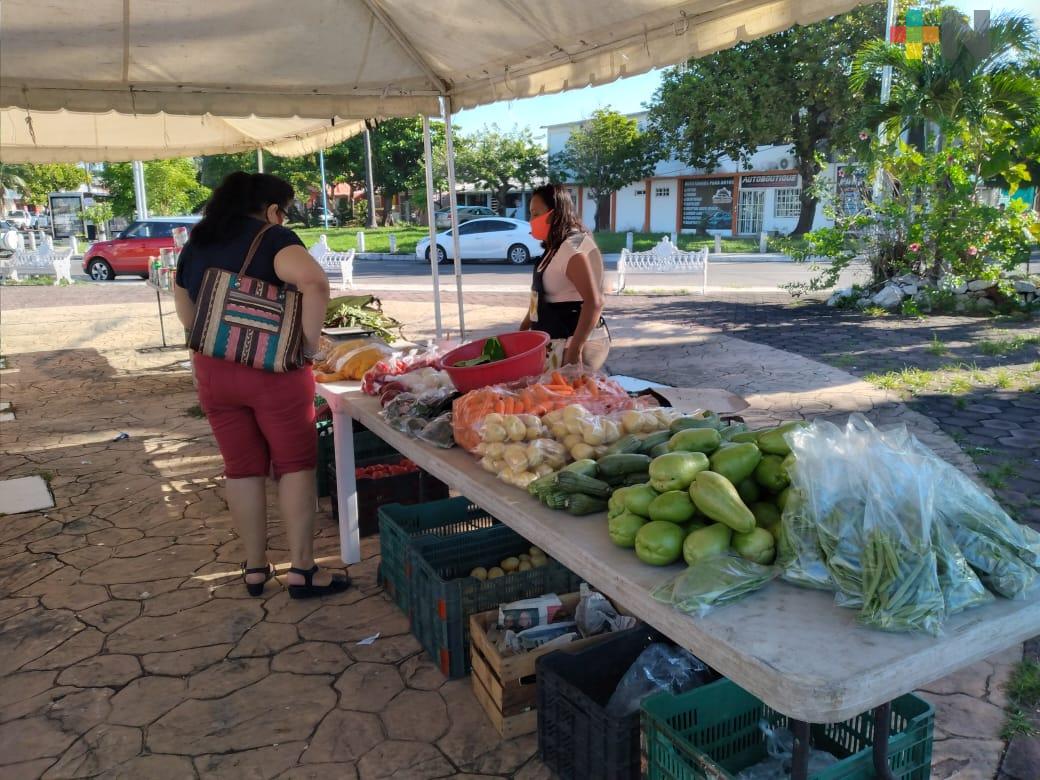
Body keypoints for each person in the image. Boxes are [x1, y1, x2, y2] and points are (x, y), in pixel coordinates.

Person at [173, 172, 349, 600]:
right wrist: (308, 346)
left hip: (215, 371)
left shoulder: (199, 242)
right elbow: (315, 282)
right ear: (272, 209)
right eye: (284, 209)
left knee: (242, 468)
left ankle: (255, 568)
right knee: (294, 465)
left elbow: (183, 302)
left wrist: (217, 340)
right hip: (273, 372)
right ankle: (303, 570)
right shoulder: (273, 238)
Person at [520, 184, 609, 369]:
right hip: (554, 338)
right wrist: (525, 326)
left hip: (572, 341)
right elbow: (541, 295)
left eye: (536, 214)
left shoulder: (571, 246)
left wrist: (574, 350)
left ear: (554, 214)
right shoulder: (553, 247)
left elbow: (595, 302)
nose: (531, 220)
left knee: (571, 395)